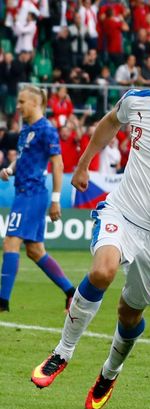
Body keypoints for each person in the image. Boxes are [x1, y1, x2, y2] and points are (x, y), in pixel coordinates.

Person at [30, 36, 150, 409]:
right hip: (123, 212)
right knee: (102, 272)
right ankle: (62, 353)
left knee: (129, 314)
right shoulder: (137, 101)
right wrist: (83, 164)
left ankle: (109, 374)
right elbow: (109, 122)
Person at [0, 85, 76, 312]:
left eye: (22, 102)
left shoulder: (47, 129)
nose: (19, 106)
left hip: (33, 193)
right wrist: (10, 169)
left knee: (10, 242)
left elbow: (57, 164)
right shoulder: (26, 129)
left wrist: (55, 199)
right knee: (34, 251)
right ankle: (71, 293)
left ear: (35, 103)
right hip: (24, 191)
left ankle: (2, 302)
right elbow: (23, 157)